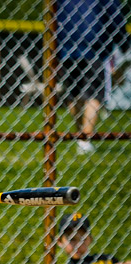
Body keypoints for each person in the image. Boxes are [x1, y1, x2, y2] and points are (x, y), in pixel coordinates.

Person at [56, 0, 130, 154]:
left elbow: (53, 18)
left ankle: (80, 136)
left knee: (74, 93)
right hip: (94, 46)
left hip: (66, 46)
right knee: (94, 94)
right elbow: (115, 17)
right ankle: (84, 139)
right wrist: (124, 45)